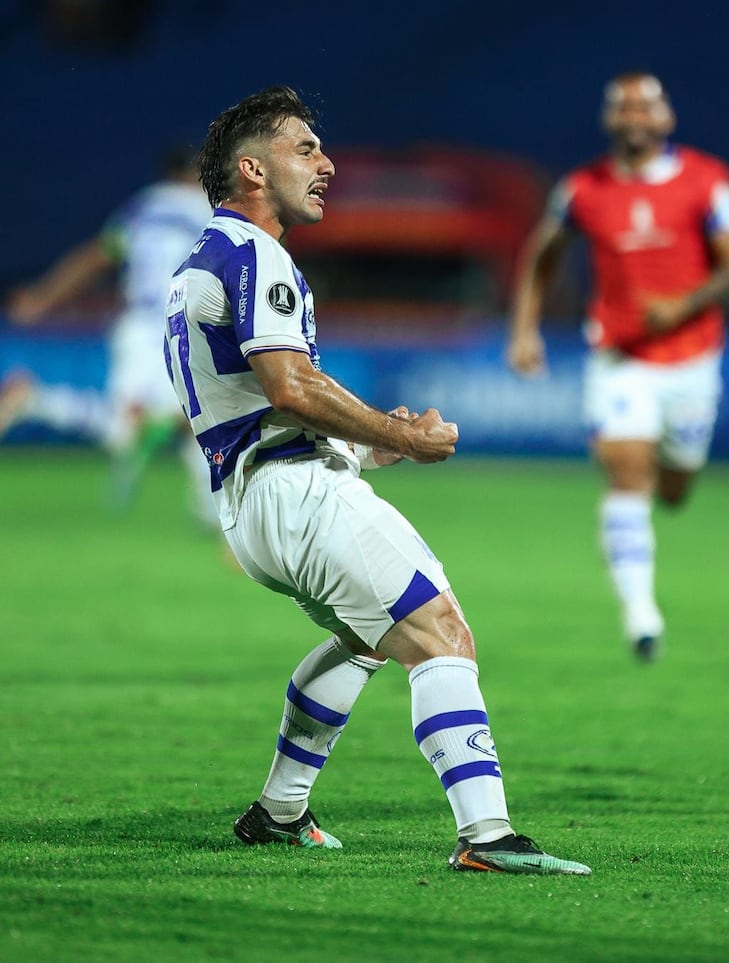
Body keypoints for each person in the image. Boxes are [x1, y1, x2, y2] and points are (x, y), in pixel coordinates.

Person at [164, 85, 591, 876]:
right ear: (251, 170)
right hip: (294, 496)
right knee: (441, 634)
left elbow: (253, 404)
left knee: (365, 638)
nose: (325, 164)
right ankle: (487, 835)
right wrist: (402, 434)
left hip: (251, 500)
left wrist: (362, 450)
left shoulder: (202, 262)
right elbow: (290, 384)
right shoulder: (257, 254)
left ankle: (279, 811)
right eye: (306, 149)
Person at [506, 72, 729, 661]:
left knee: (674, 487)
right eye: (622, 106)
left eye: (647, 105)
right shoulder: (583, 190)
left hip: (692, 361)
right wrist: (524, 328)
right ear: (609, 119)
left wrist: (683, 305)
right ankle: (641, 615)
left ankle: (649, 552)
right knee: (627, 475)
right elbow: (543, 254)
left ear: (667, 117)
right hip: (618, 358)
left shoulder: (705, 179)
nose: (634, 114)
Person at [0, 147, 215, 523]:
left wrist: (40, 297)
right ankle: (216, 514)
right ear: (197, 173)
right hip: (179, 325)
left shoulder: (141, 210)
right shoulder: (207, 209)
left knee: (143, 427)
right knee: (183, 418)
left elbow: (93, 258)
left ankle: (211, 512)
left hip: (136, 327)